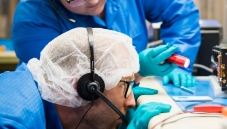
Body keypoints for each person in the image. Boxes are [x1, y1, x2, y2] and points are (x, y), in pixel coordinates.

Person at [12, 0, 200, 87]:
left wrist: (178, 58)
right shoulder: (33, 17)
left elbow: (181, 10)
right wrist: (134, 71)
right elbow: (65, 89)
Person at [0, 27, 171, 129]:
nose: (132, 102)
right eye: (125, 85)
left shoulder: (37, 86)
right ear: (88, 87)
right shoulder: (13, 122)